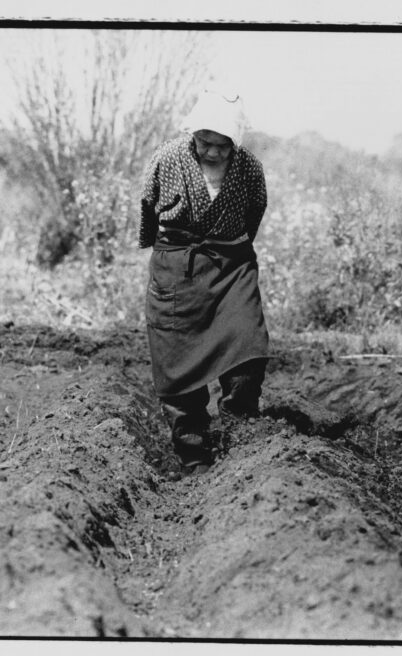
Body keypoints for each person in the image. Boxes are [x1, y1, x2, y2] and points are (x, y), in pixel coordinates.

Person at [138, 90, 270, 471]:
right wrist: (165, 248)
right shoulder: (167, 158)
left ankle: (239, 437)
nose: (212, 151)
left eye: (221, 145)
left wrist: (228, 247)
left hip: (230, 267)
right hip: (178, 269)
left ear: (235, 142)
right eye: (204, 142)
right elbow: (148, 206)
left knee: (248, 346)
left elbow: (255, 212)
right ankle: (193, 454)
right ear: (192, 133)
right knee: (177, 365)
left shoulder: (249, 168)